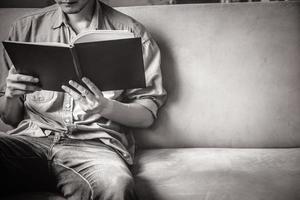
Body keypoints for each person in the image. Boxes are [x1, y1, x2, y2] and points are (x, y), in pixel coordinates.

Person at [0, 0, 166, 199]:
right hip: (29, 139)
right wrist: (11, 95)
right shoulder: (25, 28)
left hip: (95, 147)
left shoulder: (131, 33)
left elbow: (146, 116)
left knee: (115, 186)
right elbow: (9, 118)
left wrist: (105, 107)